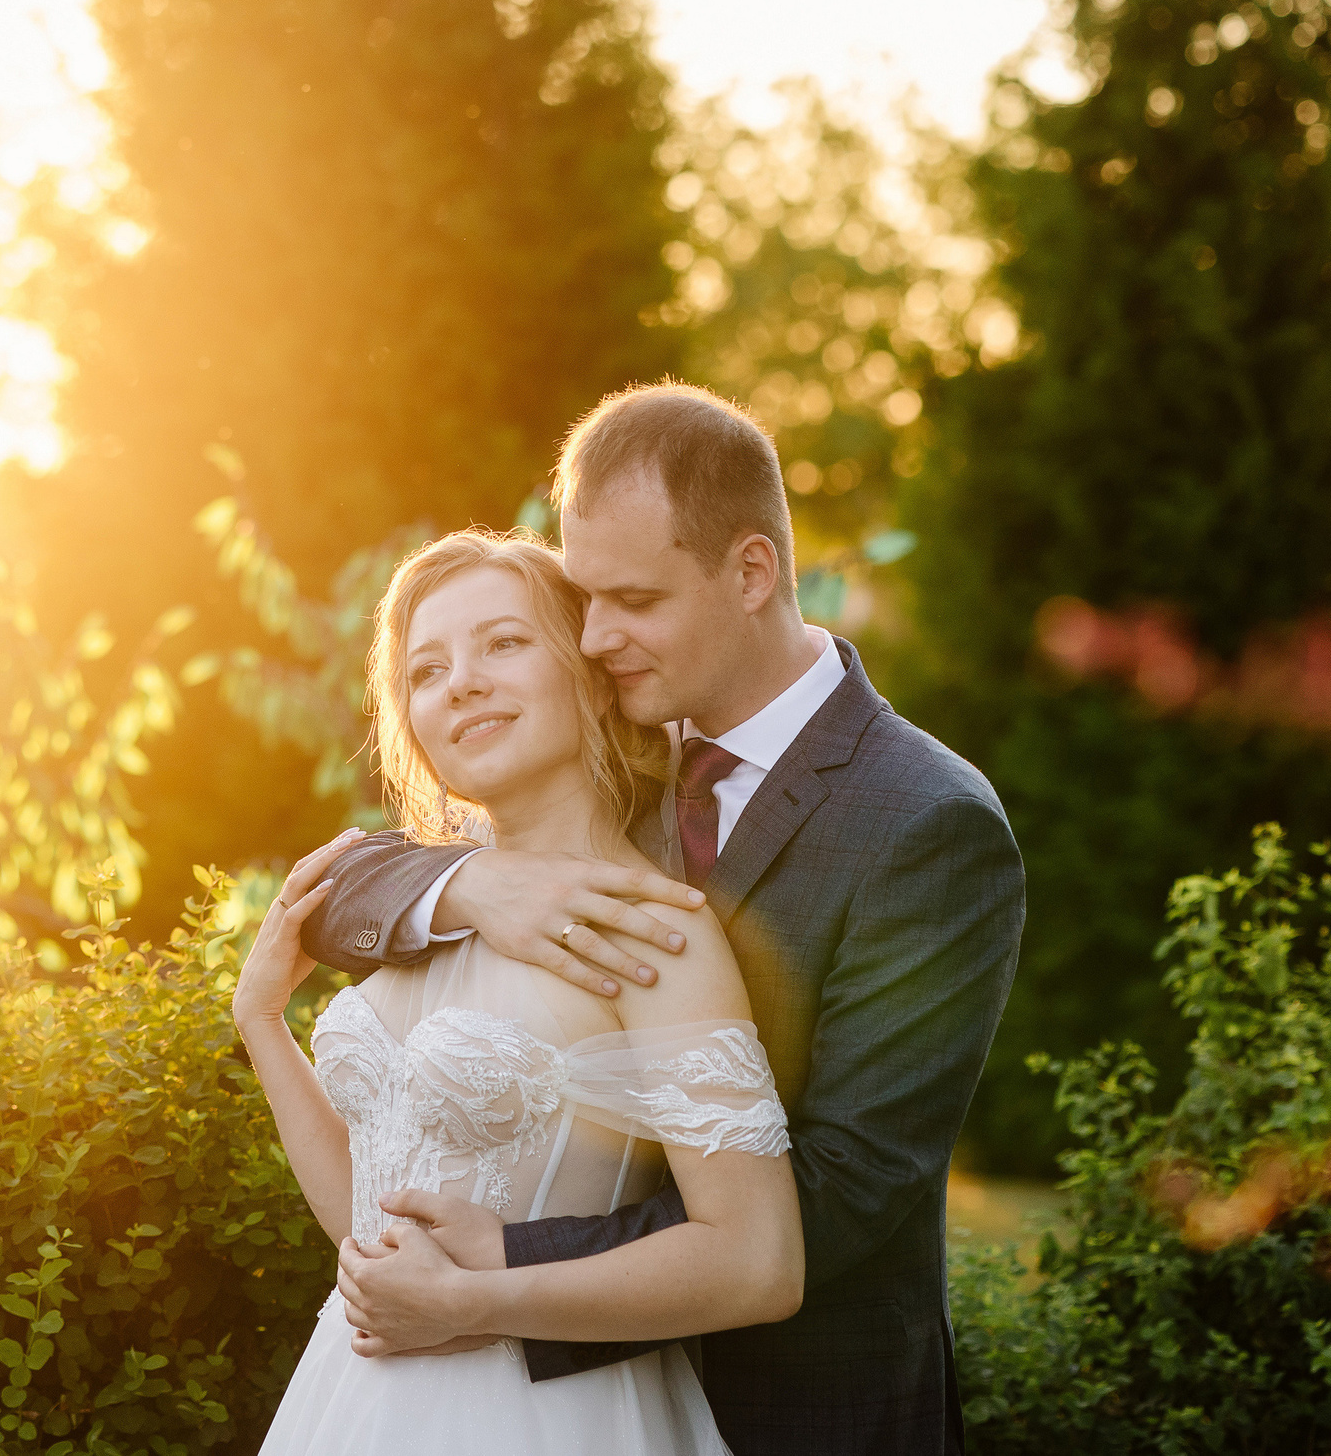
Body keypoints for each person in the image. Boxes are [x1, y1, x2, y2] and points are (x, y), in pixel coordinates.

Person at [301, 382, 1026, 1454]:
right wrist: (468, 886)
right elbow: (343, 892)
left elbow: (846, 1188)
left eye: (632, 600)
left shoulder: (925, 824)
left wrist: (500, 1261)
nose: (594, 637)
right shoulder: (626, 750)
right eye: (583, 597)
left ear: (750, 570)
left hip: (793, 1407)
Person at [235, 526, 805, 1455]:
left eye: (502, 643)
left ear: (587, 674)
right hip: (354, 1402)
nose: (459, 680)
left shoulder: (648, 930)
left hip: (549, 1418)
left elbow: (756, 1262)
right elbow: (373, 1226)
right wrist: (261, 1023)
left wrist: (468, 1302)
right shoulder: (431, 908)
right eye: (425, 669)